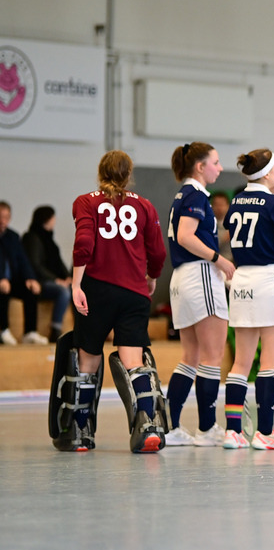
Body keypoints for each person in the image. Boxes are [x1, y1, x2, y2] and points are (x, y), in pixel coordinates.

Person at [70, 151, 168, 451]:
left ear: (101, 172)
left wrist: (76, 284)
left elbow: (85, 242)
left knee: (88, 359)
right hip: (134, 292)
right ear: (129, 175)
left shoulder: (86, 201)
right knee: (133, 362)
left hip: (97, 289)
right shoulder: (144, 205)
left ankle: (81, 431)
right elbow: (158, 252)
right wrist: (152, 276)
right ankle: (148, 426)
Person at [222, 148, 274, 450]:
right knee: (268, 362)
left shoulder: (237, 199)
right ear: (267, 173)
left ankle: (232, 431)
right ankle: (265, 432)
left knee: (241, 362)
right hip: (270, 279)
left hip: (241, 281)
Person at [163, 142, 236, 447]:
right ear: (199, 166)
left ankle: (171, 426)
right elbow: (184, 236)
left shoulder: (184, 195)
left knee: (191, 357)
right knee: (212, 357)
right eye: (215, 163)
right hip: (199, 276)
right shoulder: (195, 196)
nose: (219, 168)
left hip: (183, 279)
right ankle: (207, 428)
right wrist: (219, 260)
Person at [22, 205, 73, 342]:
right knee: (63, 291)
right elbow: (35, 265)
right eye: (53, 217)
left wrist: (68, 277)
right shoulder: (32, 238)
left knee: (76, 290)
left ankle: (80, 329)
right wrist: (56, 280)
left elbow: (59, 262)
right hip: (40, 282)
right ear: (47, 219)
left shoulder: (50, 240)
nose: (55, 220)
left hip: (53, 280)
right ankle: (55, 329)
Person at [0, 201, 47, 345]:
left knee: (30, 290)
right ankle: (3, 330)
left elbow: (23, 260)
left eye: (6, 217)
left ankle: (30, 332)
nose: (3, 221)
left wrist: (30, 278)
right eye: (1, 216)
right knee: (2, 292)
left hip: (11, 281)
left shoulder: (13, 236)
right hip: (2, 282)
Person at [209, 190, 233, 262]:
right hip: (213, 262)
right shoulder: (207, 225)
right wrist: (224, 237)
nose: (219, 208)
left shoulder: (233, 223)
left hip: (232, 263)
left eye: (222, 204)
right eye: (216, 205)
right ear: (211, 206)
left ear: (228, 206)